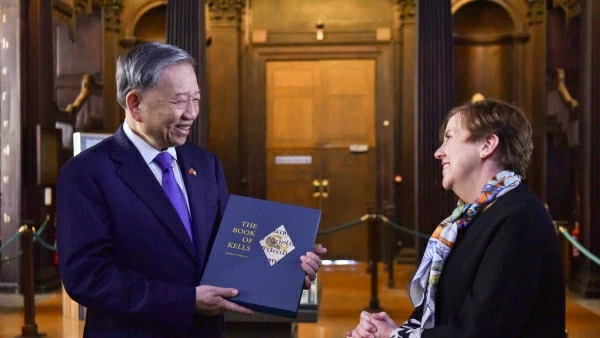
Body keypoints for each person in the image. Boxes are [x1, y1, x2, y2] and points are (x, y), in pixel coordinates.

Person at [56, 42, 327, 338]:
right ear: (135, 104)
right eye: (179, 102)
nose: (192, 113)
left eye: (196, 100)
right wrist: (186, 301)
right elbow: (88, 277)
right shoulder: (86, 173)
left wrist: (288, 265)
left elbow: (232, 244)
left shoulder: (205, 164)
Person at [348, 99, 565, 338]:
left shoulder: (520, 220)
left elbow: (480, 332)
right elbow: (448, 313)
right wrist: (395, 332)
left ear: (487, 145)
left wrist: (393, 337)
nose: (438, 152)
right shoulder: (469, 218)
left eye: (449, 137)